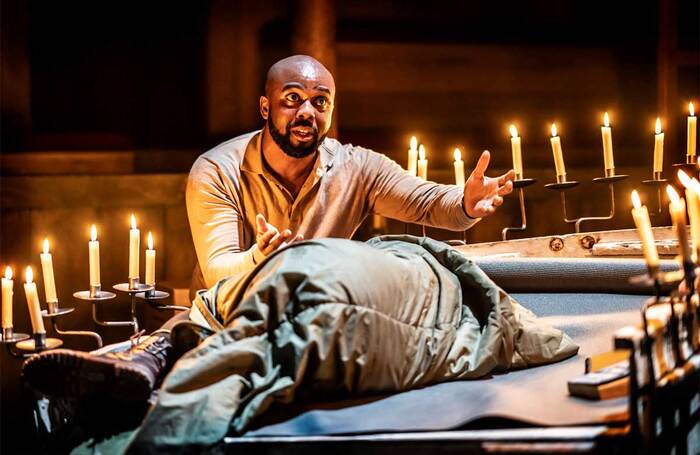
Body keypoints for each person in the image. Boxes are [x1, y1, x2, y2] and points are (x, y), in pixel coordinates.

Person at [23, 55, 514, 410]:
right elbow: (219, 272)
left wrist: (466, 202)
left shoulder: (357, 167)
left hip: (318, 316)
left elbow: (430, 203)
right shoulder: (215, 169)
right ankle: (135, 368)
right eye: (292, 99)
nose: (307, 112)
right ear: (265, 107)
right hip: (229, 311)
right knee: (218, 330)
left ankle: (146, 363)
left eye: (320, 102)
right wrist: (261, 257)